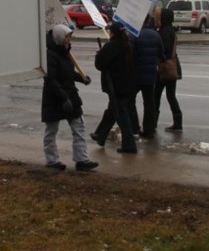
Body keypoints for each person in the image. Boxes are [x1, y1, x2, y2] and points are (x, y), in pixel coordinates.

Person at [41, 24, 99, 171]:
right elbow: (51, 80)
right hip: (55, 98)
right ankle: (52, 161)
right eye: (67, 37)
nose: (69, 40)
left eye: (69, 37)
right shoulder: (50, 55)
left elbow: (68, 73)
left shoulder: (65, 53)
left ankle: (82, 160)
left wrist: (81, 78)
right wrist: (63, 98)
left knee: (79, 127)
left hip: (71, 96)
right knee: (51, 131)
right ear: (60, 38)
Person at [90, 21, 138, 153]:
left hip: (116, 86)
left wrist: (99, 55)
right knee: (112, 111)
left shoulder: (112, 46)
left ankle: (129, 145)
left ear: (113, 33)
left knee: (121, 114)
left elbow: (100, 65)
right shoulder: (128, 44)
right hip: (127, 84)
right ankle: (100, 135)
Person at [128, 15, 163, 140]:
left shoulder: (133, 35)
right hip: (151, 74)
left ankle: (134, 128)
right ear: (149, 20)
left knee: (130, 100)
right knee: (149, 102)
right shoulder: (156, 35)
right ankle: (149, 129)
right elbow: (161, 54)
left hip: (136, 74)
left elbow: (129, 54)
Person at [154, 8, 183, 131]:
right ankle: (178, 123)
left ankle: (152, 123)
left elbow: (163, 50)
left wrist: (158, 57)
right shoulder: (170, 29)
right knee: (171, 96)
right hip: (173, 67)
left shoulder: (164, 31)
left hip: (165, 68)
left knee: (156, 96)